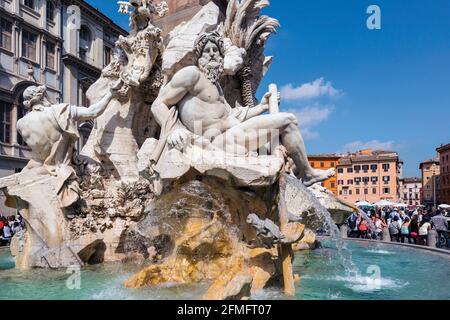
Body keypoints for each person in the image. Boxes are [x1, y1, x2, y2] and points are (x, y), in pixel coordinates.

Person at [150, 31, 335, 187]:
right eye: (207, 51)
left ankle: (303, 173)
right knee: (288, 121)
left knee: (285, 126)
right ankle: (307, 173)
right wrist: (175, 130)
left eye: (216, 50)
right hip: (214, 142)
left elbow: (233, 115)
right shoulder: (191, 75)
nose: (213, 54)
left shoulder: (217, 87)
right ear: (198, 57)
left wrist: (262, 107)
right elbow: (158, 104)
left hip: (232, 137)